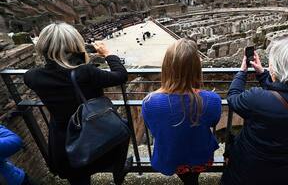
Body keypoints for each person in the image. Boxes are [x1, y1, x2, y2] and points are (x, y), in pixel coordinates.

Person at [23, 22, 129, 185]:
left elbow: (60, 67)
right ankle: (118, 171)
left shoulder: (32, 77)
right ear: (74, 46)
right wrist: (108, 53)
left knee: (78, 176)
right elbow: (121, 75)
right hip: (94, 131)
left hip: (65, 140)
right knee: (123, 127)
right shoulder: (86, 72)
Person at [221, 38, 288, 185]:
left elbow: (233, 98)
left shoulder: (257, 98)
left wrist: (242, 73)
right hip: (283, 169)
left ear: (274, 68)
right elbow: (281, 93)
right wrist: (262, 74)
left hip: (248, 167)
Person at [142, 38, 221, 185]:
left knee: (187, 177)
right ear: (197, 68)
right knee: (192, 178)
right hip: (199, 153)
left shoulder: (149, 102)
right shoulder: (212, 100)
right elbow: (214, 121)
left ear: (166, 68)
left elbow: (152, 126)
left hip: (172, 156)